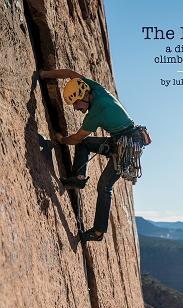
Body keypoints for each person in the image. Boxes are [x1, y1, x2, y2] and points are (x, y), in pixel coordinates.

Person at [40, 69, 137, 242]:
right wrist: (45, 75)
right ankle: (78, 177)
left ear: (84, 96)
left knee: (104, 186)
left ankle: (98, 232)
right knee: (85, 145)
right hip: (121, 140)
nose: (76, 108)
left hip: (125, 148)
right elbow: (70, 73)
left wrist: (61, 140)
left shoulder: (96, 112)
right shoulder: (92, 87)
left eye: (77, 104)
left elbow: (76, 137)